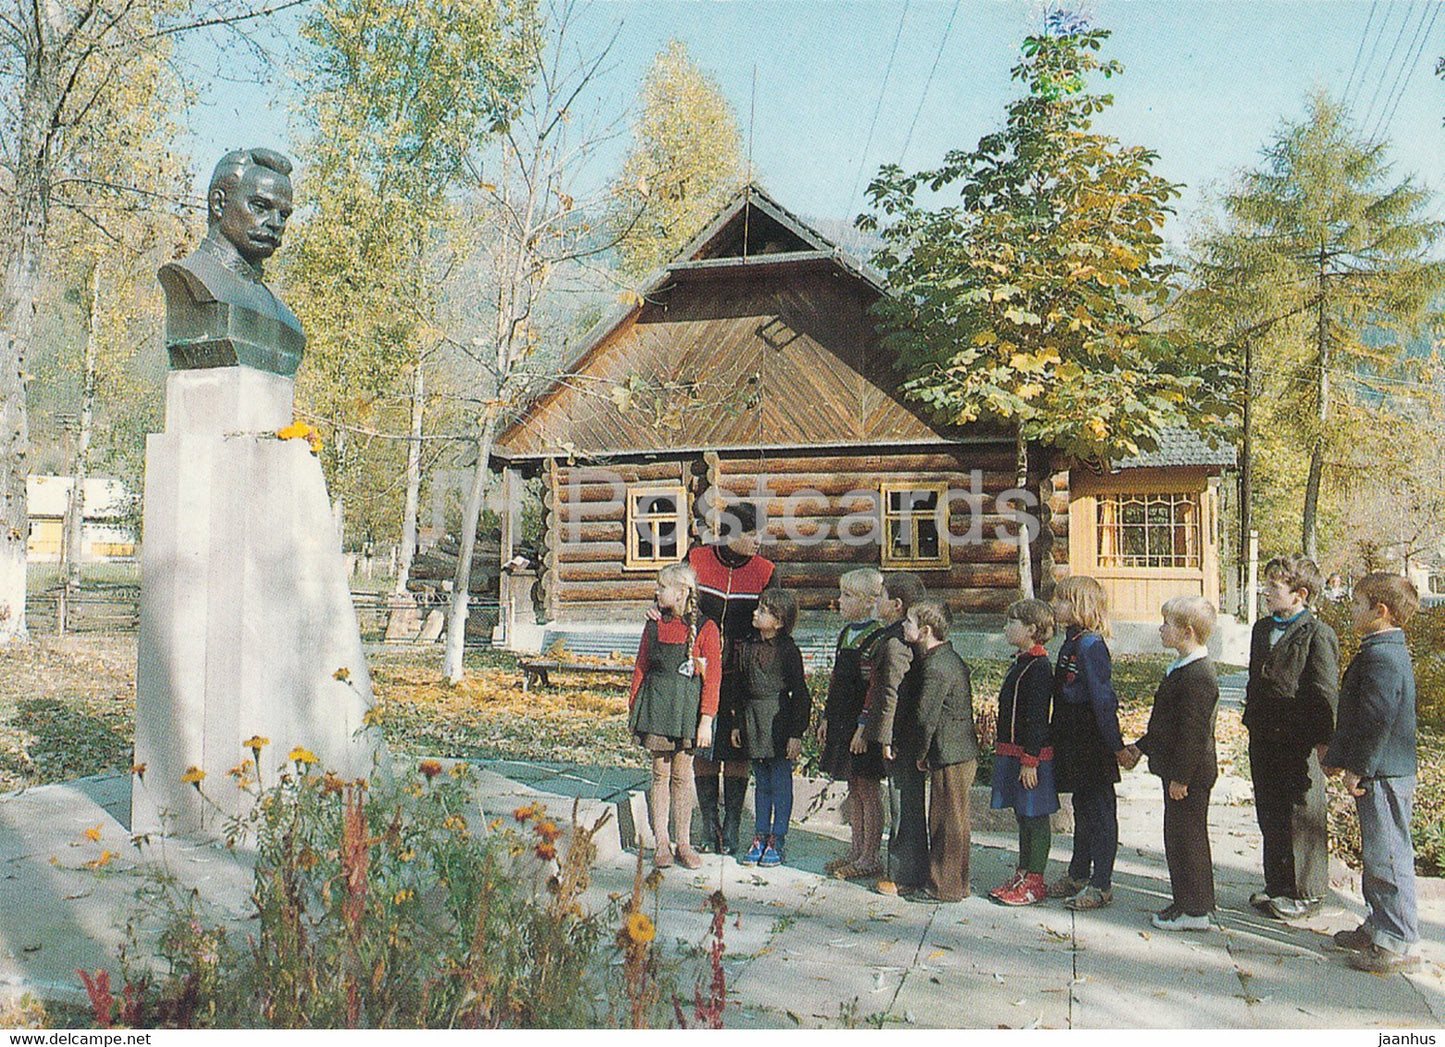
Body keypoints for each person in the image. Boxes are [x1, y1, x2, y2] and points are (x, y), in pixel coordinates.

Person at [1323, 573, 1422, 974]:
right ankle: (1379, 925)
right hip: (1380, 769)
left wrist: (1359, 769)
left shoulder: (1383, 656)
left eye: (1357, 602)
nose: (1351, 607)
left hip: (1384, 773)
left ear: (1379, 611)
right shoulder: (1380, 649)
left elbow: (1377, 720)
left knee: (1389, 856)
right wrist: (1339, 755)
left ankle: (1398, 941)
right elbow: (1361, 717)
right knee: (1377, 854)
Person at [1242, 553, 1340, 920]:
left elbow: (1325, 692)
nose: (1265, 592)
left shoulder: (1318, 634)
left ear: (1300, 594)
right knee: (1270, 810)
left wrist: (1326, 743)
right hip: (1265, 737)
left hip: (1299, 742)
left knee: (1301, 812)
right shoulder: (1262, 629)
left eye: (1273, 587)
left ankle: (1306, 893)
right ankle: (1278, 886)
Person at [158, 148, 305, 375]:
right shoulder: (192, 280)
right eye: (260, 206)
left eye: (284, 215)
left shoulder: (286, 320)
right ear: (219, 203)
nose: (276, 223)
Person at [686, 502, 778, 856]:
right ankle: (709, 825)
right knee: (704, 745)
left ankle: (733, 825)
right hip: (702, 669)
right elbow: (678, 599)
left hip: (744, 673)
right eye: (752, 534)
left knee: (738, 746)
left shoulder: (766, 571)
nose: (759, 541)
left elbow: (777, 621)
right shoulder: (697, 560)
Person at [1127, 596, 1220, 931]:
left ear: (1188, 632)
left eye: (1167, 624)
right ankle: (1187, 901)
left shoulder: (1198, 675)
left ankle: (1195, 910)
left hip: (1189, 775)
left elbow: (1193, 734)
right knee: (1178, 838)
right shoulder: (1184, 667)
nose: (1161, 629)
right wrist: (1140, 747)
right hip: (1180, 772)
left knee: (1188, 839)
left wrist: (1181, 777)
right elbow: (1165, 724)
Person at [627, 564, 721, 870]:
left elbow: (713, 678)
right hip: (657, 708)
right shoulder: (653, 624)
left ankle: (684, 842)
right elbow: (641, 664)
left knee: (683, 776)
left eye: (661, 586)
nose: (656, 591)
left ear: (681, 592)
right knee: (660, 775)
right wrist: (634, 707)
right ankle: (662, 842)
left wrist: (706, 719)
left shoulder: (706, 628)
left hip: (686, 711)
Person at [1048, 575, 1130, 910]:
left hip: (1091, 739)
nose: (1055, 606)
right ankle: (1078, 873)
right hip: (1073, 737)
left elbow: (1102, 699)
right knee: (1081, 809)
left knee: (1100, 812)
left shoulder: (1090, 645)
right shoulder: (1072, 640)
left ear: (1080, 607)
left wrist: (1116, 745)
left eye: (1062, 600)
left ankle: (1102, 884)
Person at [852, 571, 928, 895]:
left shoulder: (897, 644)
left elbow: (891, 694)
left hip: (900, 737)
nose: (877, 602)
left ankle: (903, 875)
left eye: (881, 597)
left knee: (903, 802)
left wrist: (883, 737)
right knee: (902, 800)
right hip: (902, 734)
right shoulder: (894, 636)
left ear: (896, 605)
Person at [818, 568, 889, 878]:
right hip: (842, 722)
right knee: (853, 787)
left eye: (847, 596)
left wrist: (864, 727)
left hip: (863, 726)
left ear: (868, 601)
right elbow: (836, 680)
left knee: (868, 790)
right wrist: (825, 717)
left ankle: (870, 856)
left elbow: (875, 688)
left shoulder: (878, 637)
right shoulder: (845, 634)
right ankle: (856, 851)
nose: (840, 601)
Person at [732, 589, 810, 868]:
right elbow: (739, 689)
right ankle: (760, 834)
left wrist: (795, 734)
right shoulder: (748, 647)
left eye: (763, 611)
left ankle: (778, 837)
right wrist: (737, 724)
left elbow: (800, 694)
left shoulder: (788, 651)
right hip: (753, 719)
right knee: (761, 783)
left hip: (779, 720)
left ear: (778, 622)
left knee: (780, 783)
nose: (756, 613)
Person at [906, 599, 978, 903]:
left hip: (950, 753)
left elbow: (926, 716)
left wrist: (920, 752)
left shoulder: (936, 666)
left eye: (909, 622)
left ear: (925, 631)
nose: (904, 626)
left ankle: (942, 888)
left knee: (945, 822)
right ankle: (956, 885)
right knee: (955, 820)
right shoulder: (946, 659)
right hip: (958, 751)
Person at [989, 598, 1058, 906]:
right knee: (1021, 814)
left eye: (1011, 622)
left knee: (1035, 815)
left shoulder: (1040, 667)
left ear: (1031, 630)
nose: (1006, 627)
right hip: (1012, 751)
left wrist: (1030, 760)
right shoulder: (1021, 662)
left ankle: (1036, 879)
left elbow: (1037, 717)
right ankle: (1022, 872)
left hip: (1031, 757)